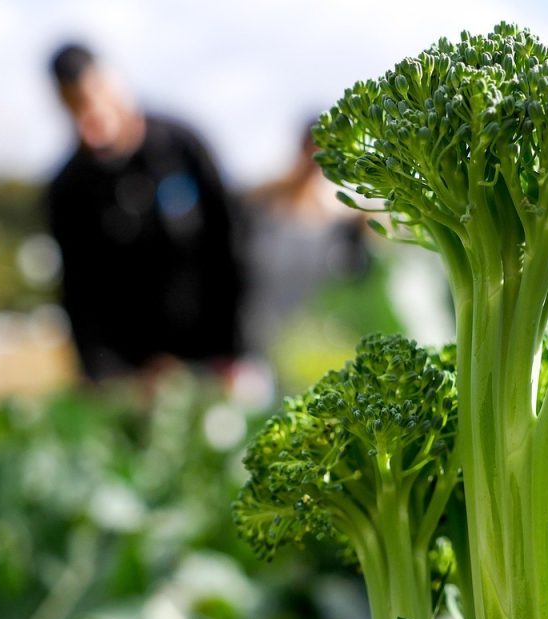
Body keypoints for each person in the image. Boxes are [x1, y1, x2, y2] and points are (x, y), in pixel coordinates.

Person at [46, 43, 245, 382]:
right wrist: (105, 375)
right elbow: (79, 291)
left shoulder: (182, 145)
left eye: (93, 95)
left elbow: (233, 240)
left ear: (113, 83)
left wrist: (238, 350)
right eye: (74, 104)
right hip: (135, 375)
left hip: (213, 356)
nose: (90, 112)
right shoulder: (69, 187)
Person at [242, 123, 369, 356]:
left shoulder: (339, 211)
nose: (316, 158)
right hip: (259, 331)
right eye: (313, 149)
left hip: (312, 336)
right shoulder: (265, 199)